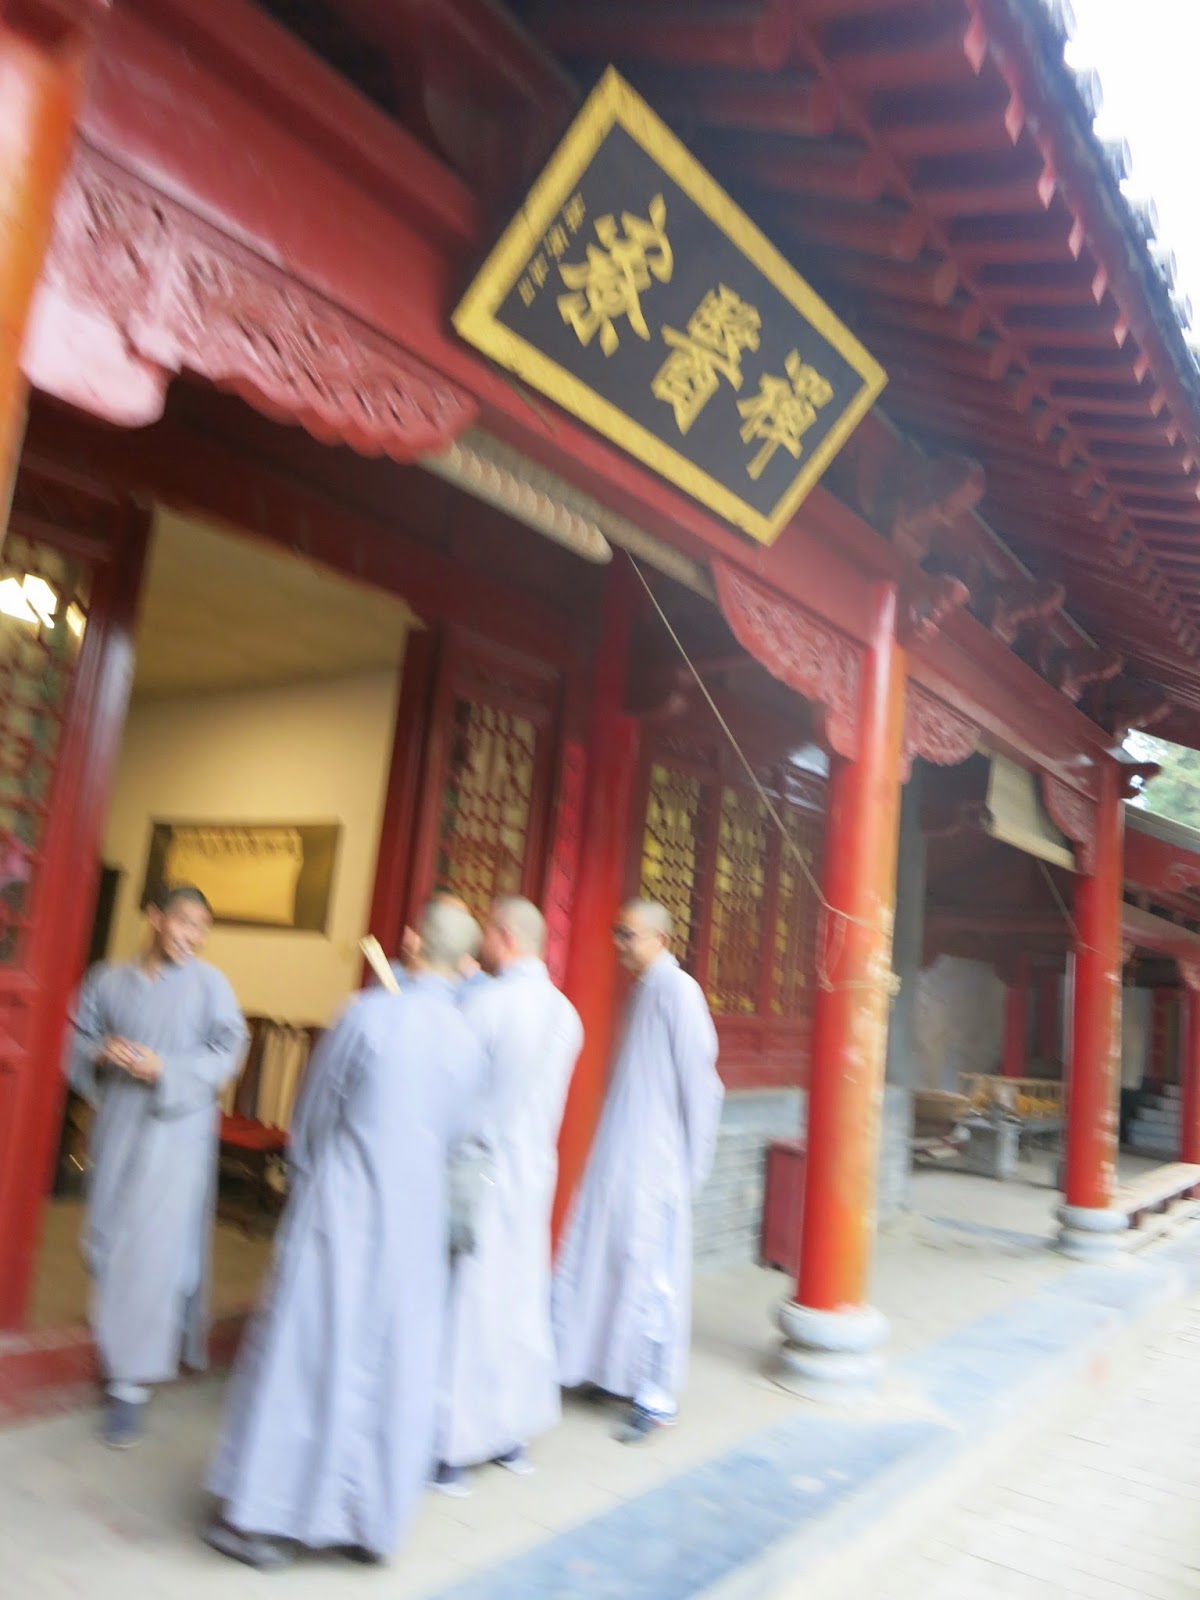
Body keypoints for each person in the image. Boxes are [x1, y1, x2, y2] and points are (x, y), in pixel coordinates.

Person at [204, 898, 486, 1571]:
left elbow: (314, 1115)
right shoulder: (468, 1043)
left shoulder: (368, 1015)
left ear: (412, 942)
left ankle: (266, 1519)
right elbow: (465, 1143)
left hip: (344, 1212)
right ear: (465, 962)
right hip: (417, 1228)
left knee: (308, 1357)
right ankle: (367, 1521)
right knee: (390, 1366)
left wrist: (306, 1183)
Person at [64, 883, 247, 1450]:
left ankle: (130, 1386)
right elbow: (78, 1035)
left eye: (202, 928)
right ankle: (121, 1342)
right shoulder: (108, 980)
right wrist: (102, 1052)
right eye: (184, 922)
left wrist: (166, 1068)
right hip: (119, 1122)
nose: (193, 937)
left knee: (152, 1251)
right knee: (107, 1237)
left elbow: (229, 1049)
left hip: (176, 1131)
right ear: (155, 917)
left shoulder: (210, 985)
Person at [553, 899, 723, 1444]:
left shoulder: (679, 991)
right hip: (622, 1153)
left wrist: (691, 1166)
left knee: (652, 1276)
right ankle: (611, 1371)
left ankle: (656, 1394)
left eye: (628, 934)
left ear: (660, 939)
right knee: (610, 1259)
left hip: (657, 1163)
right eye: (617, 933)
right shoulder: (642, 992)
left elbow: (701, 1085)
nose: (619, 944)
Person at [434, 896, 583, 1495]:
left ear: (504, 938)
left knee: (467, 1302)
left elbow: (451, 1086)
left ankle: (451, 1445)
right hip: (532, 1173)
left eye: (488, 936)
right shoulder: (566, 1013)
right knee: (519, 1301)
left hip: (480, 1169)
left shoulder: (488, 1005)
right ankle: (511, 1434)